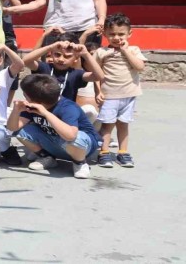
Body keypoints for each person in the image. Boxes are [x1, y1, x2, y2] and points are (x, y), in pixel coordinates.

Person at [8, 74, 101, 179]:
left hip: (80, 148)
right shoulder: (31, 106)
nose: (24, 97)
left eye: (25, 95)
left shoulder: (68, 107)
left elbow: (70, 136)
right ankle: (47, 158)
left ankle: (80, 163)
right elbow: (12, 128)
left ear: (36, 101)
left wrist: (45, 113)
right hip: (55, 142)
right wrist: (16, 111)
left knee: (77, 138)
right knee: (21, 131)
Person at [95, 13, 146, 168]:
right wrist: (98, 91)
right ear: (105, 34)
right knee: (107, 125)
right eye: (112, 34)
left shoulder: (134, 50)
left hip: (129, 95)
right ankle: (104, 152)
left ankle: (123, 152)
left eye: (121, 34)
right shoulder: (101, 52)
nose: (116, 38)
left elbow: (140, 67)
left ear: (129, 33)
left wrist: (125, 51)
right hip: (109, 95)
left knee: (124, 124)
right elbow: (96, 73)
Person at [22, 35, 105, 102]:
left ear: (76, 58)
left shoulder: (76, 74)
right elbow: (25, 61)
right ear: (51, 53)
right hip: (41, 112)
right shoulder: (45, 67)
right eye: (57, 55)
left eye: (67, 56)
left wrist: (86, 54)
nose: (61, 59)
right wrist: (49, 47)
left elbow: (99, 76)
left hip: (64, 113)